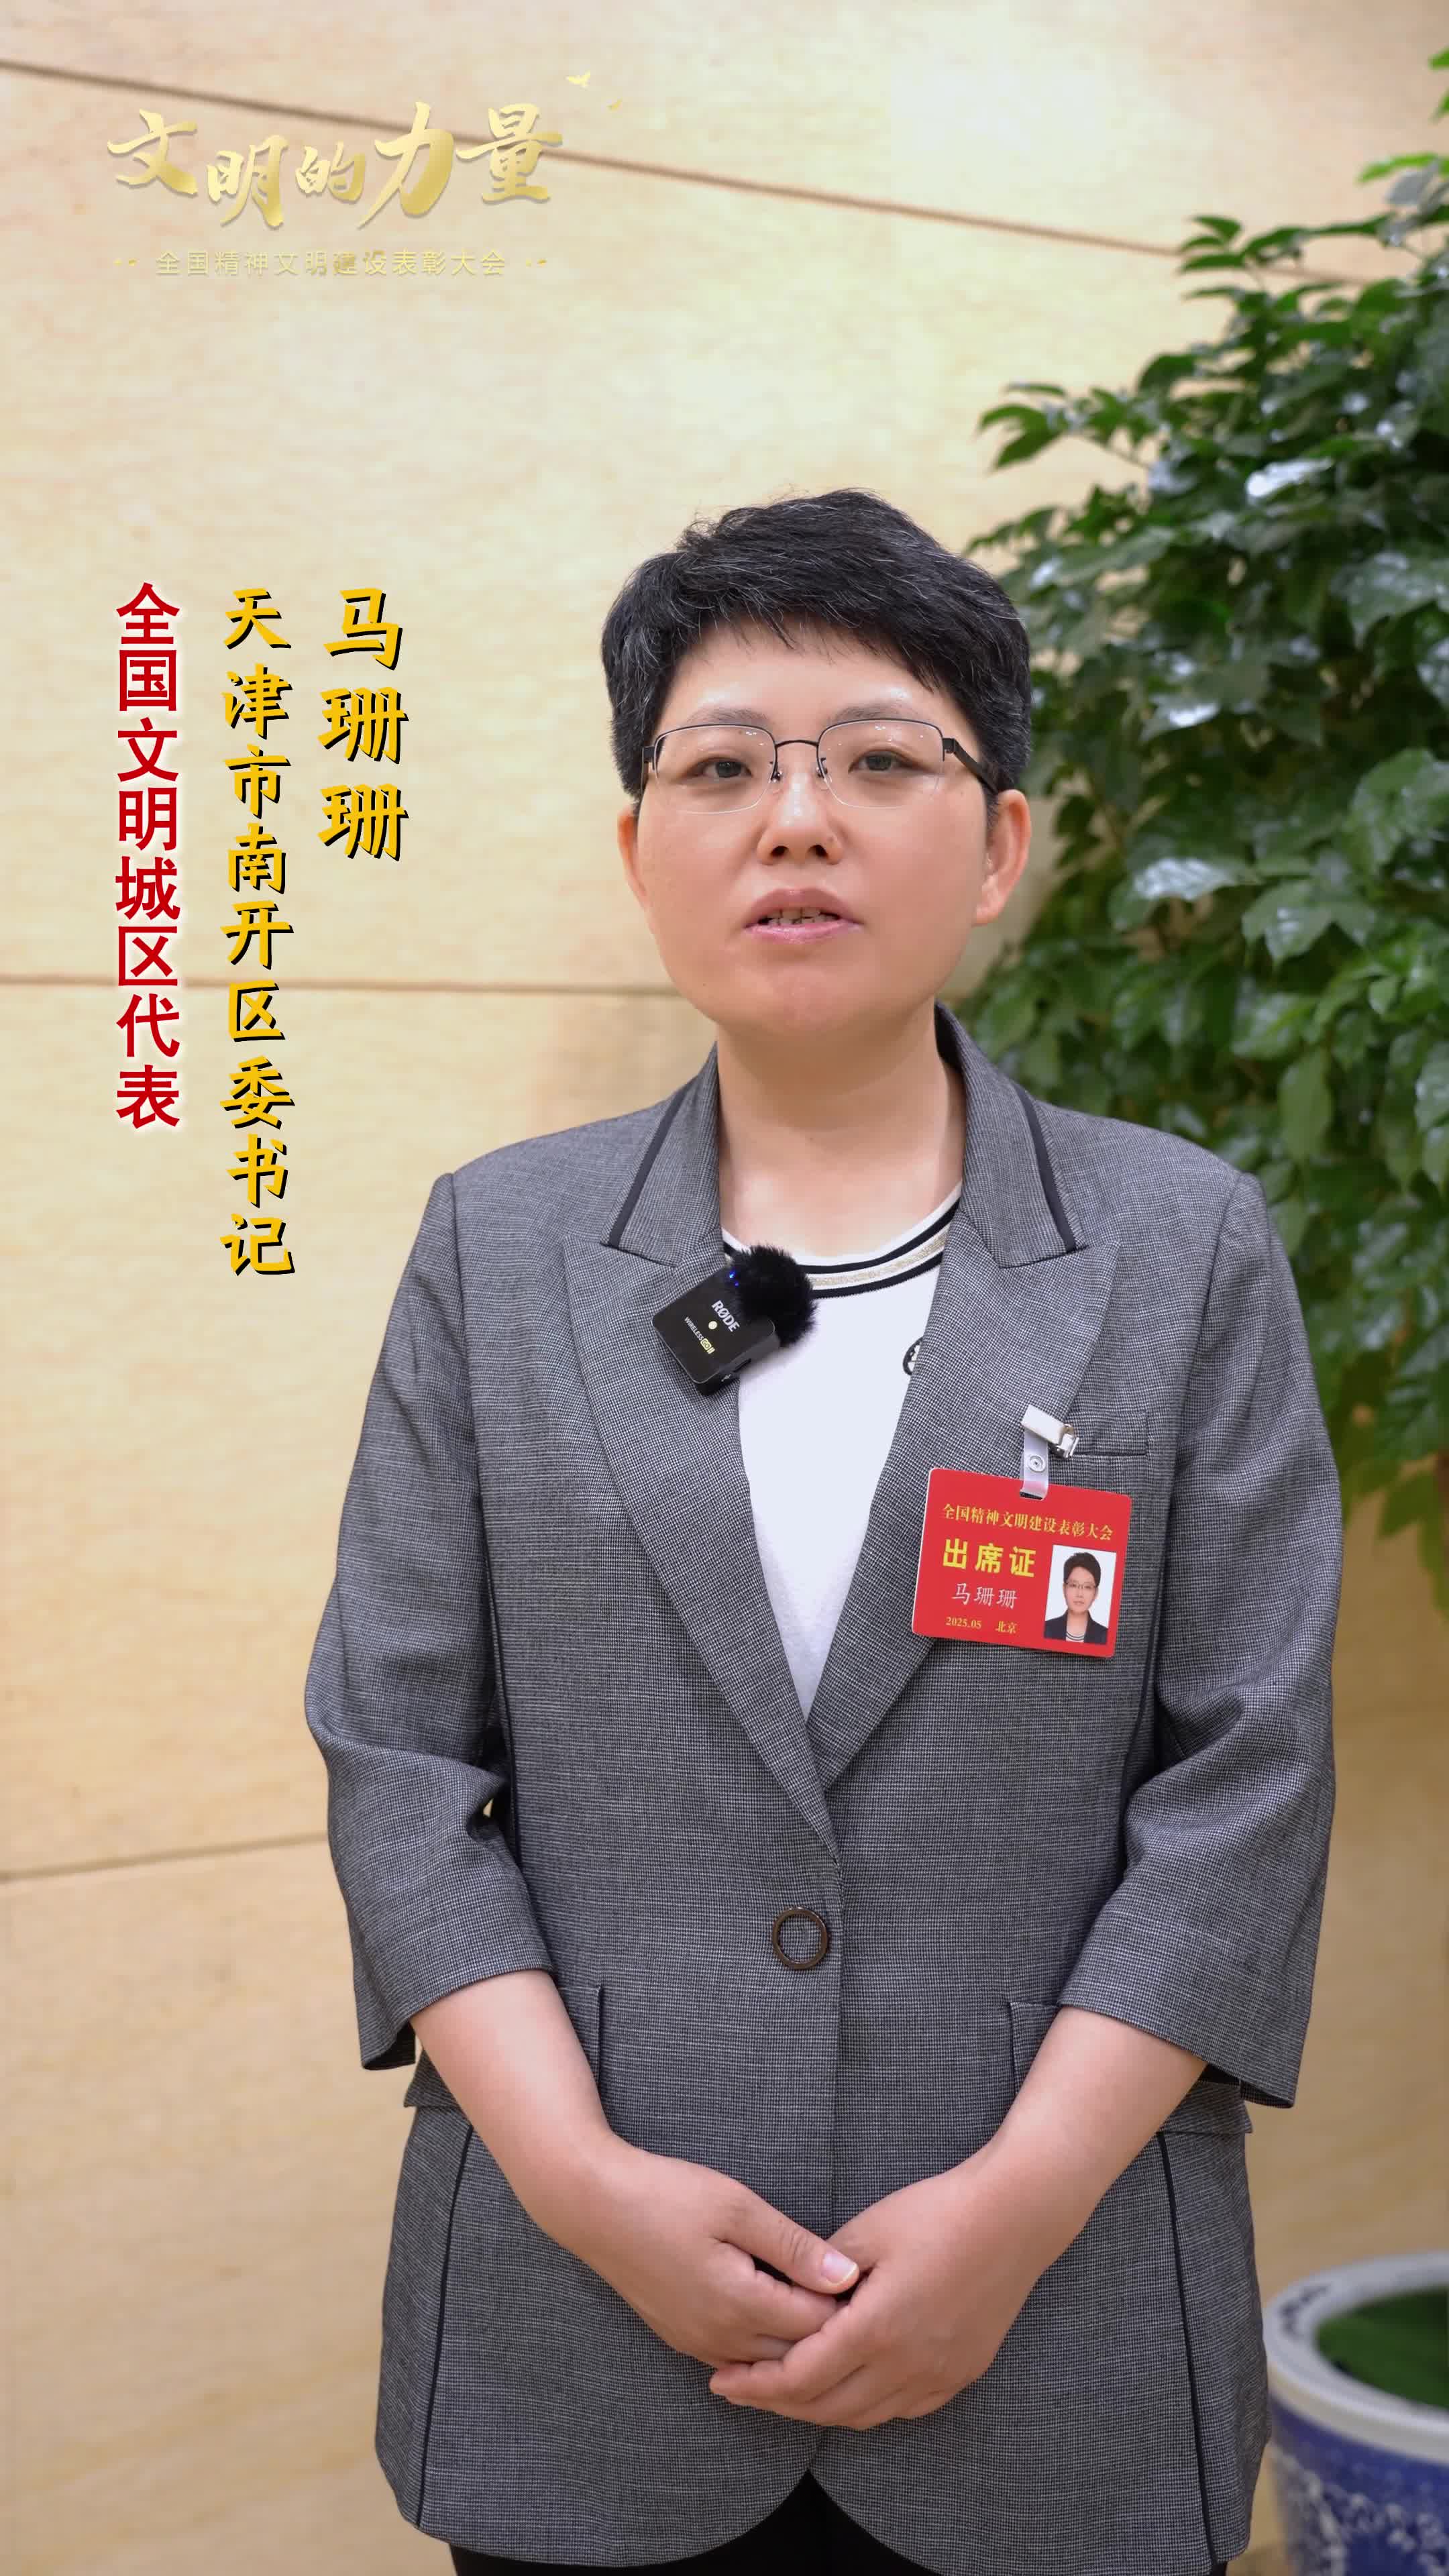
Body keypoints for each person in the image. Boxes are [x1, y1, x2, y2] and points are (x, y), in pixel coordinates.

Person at [304, 487, 1339, 2576]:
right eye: (723, 769)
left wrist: (1015, 2209)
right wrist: (584, 2179)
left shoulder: (1181, 1244)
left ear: (1002, 844)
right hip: (580, 2343)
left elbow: (1246, 1780)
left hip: (1053, 2340)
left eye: (878, 759)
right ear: (641, 851)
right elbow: (400, 1756)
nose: (797, 821)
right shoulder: (500, 1247)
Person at [1042, 1550, 1111, 1646]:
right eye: (1074, 1585)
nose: (1079, 1594)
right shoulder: (1045, 1629)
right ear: (1064, 1589)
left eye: (1087, 1587)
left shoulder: (1105, 1637)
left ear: (1096, 1593)